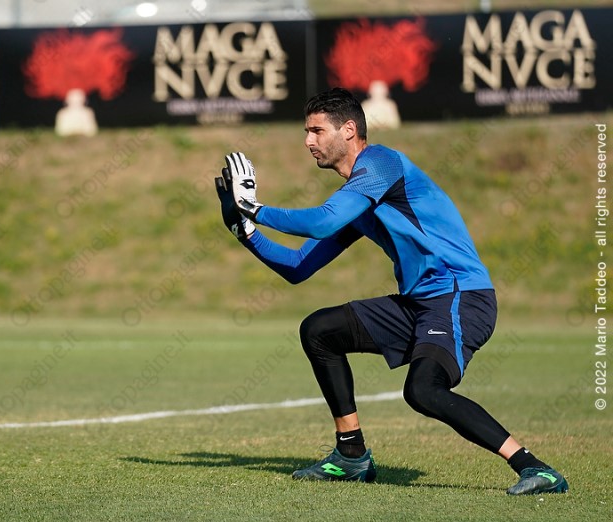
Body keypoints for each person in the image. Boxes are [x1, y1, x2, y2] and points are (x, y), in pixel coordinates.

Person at [213, 87, 567, 495]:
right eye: (307, 132)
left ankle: (536, 468)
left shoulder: (381, 162)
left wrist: (253, 208)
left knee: (423, 390)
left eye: (316, 131)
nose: (308, 141)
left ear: (349, 130)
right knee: (320, 330)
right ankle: (351, 455)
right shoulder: (356, 200)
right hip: (421, 302)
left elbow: (321, 222)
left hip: (459, 295)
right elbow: (298, 267)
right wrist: (244, 230)